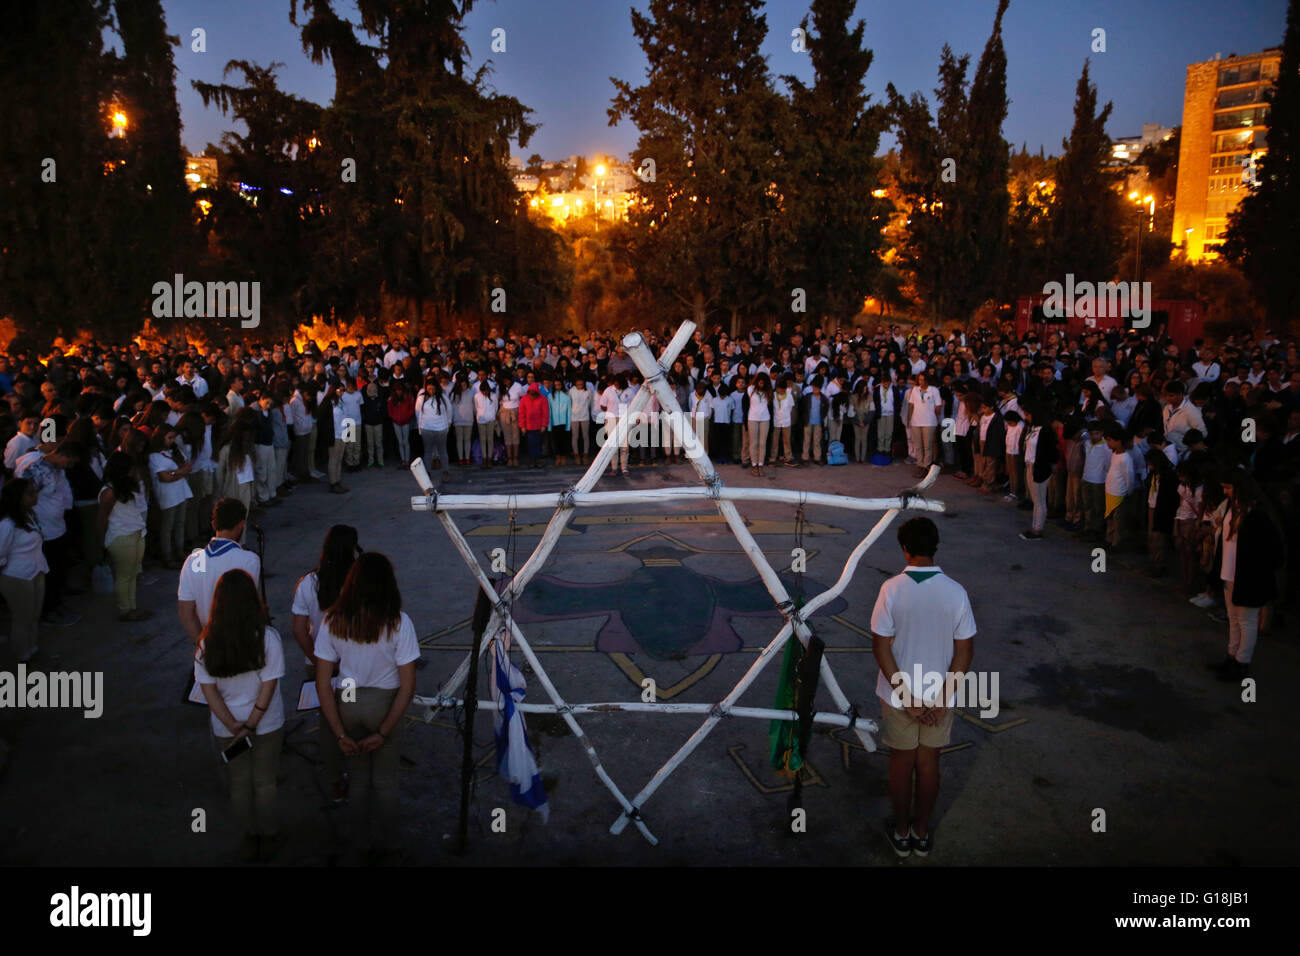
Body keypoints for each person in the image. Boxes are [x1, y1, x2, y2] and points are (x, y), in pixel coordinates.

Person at [871, 516, 976, 858]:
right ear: (935, 547)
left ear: (905, 549)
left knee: (902, 764)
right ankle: (921, 831)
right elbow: (965, 652)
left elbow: (881, 647)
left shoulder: (891, 589)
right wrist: (941, 701)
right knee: (929, 763)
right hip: (939, 695)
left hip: (898, 696)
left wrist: (907, 699)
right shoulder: (956, 591)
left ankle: (901, 833)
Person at [314, 553, 418, 861]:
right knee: (385, 782)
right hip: (383, 700)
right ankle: (391, 845)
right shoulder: (399, 622)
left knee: (357, 780)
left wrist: (339, 733)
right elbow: (408, 685)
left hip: (348, 699)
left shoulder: (332, 620)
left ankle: (358, 845)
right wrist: (384, 732)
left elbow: (323, 683)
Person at [193, 569, 285, 863]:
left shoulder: (206, 644)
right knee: (265, 782)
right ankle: (269, 835)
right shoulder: (268, 638)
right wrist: (252, 724)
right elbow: (269, 686)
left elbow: (209, 693)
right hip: (267, 725)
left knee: (239, 784)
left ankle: (249, 835)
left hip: (227, 730)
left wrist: (234, 726)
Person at [1207, 469, 1285, 682]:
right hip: (1229, 574)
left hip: (1248, 577)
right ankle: (1232, 656)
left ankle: (1242, 662)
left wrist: (1258, 570)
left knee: (1246, 621)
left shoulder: (1257, 514)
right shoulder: (1232, 508)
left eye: (1228, 488)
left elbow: (1274, 551)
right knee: (1234, 619)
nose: (1225, 492)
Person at [178, 498, 262, 642]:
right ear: (241, 525)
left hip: (207, 644)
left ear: (214, 524)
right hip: (241, 644)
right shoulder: (249, 560)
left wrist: (202, 646)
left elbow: (186, 613)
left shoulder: (193, 560)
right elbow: (250, 608)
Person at [97, 451, 150, 622]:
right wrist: (102, 543)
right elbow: (102, 519)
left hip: (136, 533)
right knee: (124, 575)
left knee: (132, 574)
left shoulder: (128, 486)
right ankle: (125, 610)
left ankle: (131, 608)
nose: (134, 471)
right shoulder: (109, 492)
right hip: (121, 536)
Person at [0, 479, 49, 661]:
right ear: (18, 498)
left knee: (34, 616)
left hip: (37, 571)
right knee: (22, 618)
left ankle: (32, 647)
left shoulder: (29, 515)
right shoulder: (7, 524)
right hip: (17, 577)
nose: (36, 496)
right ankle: (23, 656)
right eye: (30, 493)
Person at [147, 427, 194, 569]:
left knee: (180, 523)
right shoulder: (154, 456)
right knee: (167, 526)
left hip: (181, 492)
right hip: (167, 495)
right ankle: (167, 556)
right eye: (169, 437)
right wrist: (180, 472)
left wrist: (174, 473)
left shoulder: (174, 451)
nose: (172, 441)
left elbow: (187, 468)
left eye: (173, 437)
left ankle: (179, 551)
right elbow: (164, 477)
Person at [1019, 403, 1059, 541]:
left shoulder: (1045, 430)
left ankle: (1038, 529)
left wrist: (1047, 466)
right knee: (1035, 499)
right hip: (1030, 465)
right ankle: (1035, 526)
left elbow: (1051, 452)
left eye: (1028, 414)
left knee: (1039, 500)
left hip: (1040, 467)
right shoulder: (1032, 428)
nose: (1026, 417)